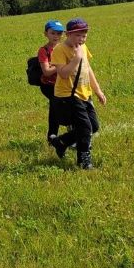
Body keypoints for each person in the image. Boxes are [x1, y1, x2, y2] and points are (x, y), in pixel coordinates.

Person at [50, 18, 107, 169]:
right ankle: (84, 161)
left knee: (94, 126)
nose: (81, 39)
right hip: (68, 95)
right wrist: (76, 58)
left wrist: (98, 90)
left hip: (84, 94)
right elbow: (62, 74)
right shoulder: (59, 50)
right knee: (85, 128)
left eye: (84, 36)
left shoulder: (83, 47)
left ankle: (61, 142)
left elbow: (88, 70)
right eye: (78, 35)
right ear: (68, 34)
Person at [37, 20, 65, 144]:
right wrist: (61, 65)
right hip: (49, 85)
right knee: (55, 109)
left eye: (59, 34)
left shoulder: (64, 48)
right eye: (53, 33)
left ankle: (71, 132)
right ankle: (52, 137)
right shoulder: (43, 51)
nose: (56, 36)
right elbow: (47, 71)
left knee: (69, 106)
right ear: (46, 34)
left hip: (63, 83)